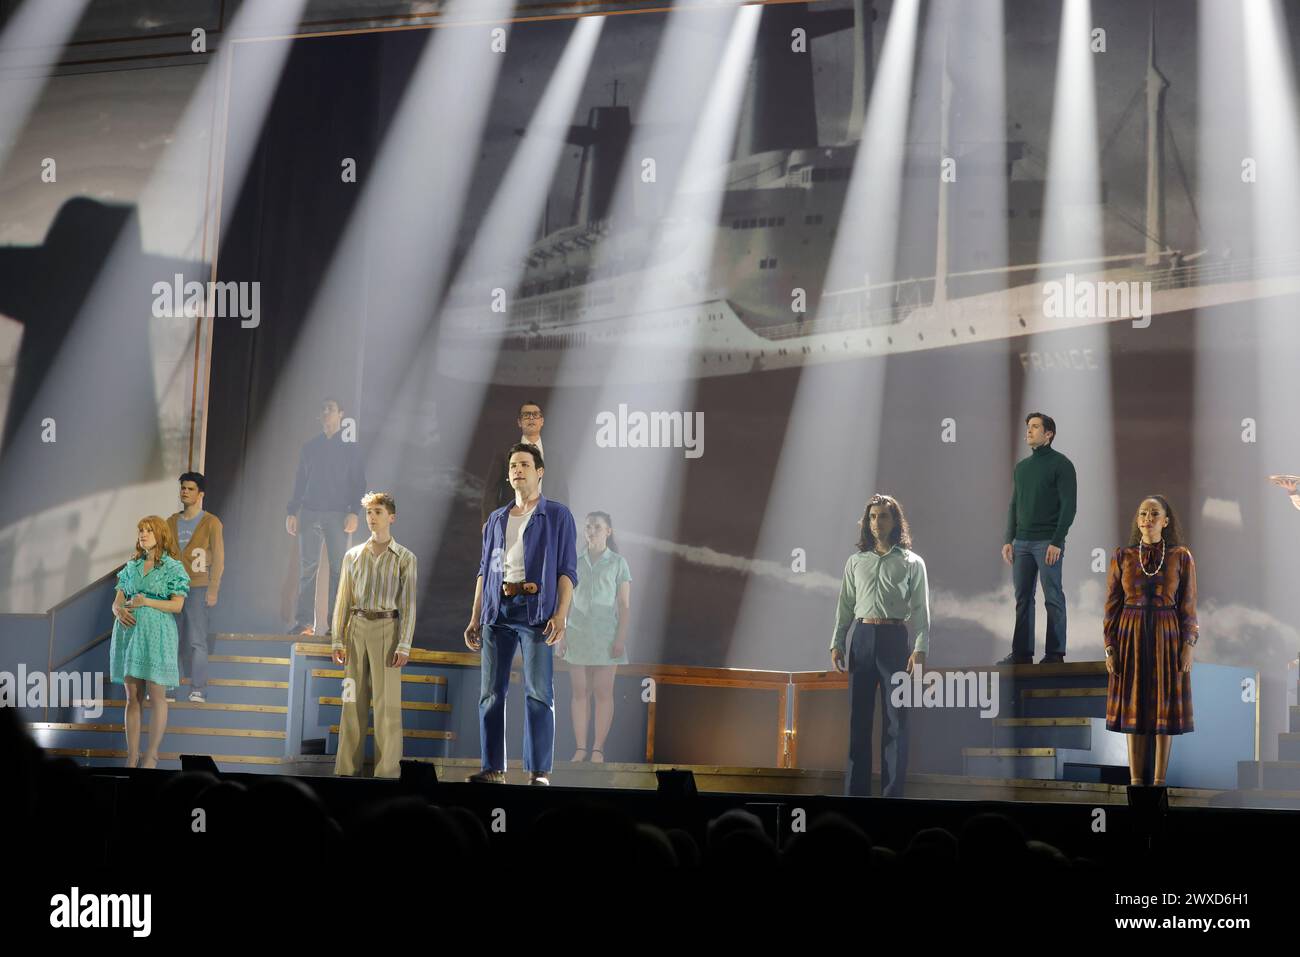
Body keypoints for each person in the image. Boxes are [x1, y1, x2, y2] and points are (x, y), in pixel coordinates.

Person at [465, 443, 577, 785]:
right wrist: (475, 617)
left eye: (525, 464)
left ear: (539, 471)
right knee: (490, 693)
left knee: (539, 692)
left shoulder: (557, 515)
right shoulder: (497, 519)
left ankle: (539, 771)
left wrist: (561, 614)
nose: (517, 470)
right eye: (513, 465)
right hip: (498, 610)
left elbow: (567, 571)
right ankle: (493, 769)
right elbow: (484, 571)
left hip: (536, 612)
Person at [830, 493, 930, 798]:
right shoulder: (855, 561)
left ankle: (891, 797)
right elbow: (845, 604)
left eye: (883, 516)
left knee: (896, 722)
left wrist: (920, 648)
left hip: (894, 641)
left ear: (895, 520)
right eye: (872, 517)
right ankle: (855, 795)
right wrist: (837, 641)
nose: (877, 522)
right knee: (858, 721)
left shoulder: (913, 562)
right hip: (861, 639)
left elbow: (921, 610)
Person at [1102, 495, 1196, 787]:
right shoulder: (1122, 555)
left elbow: (1188, 606)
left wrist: (1188, 645)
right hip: (1130, 634)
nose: (1147, 517)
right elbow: (1111, 605)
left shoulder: (1181, 555)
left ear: (1165, 521)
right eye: (1143, 512)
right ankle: (1135, 779)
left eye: (1154, 513)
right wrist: (1110, 646)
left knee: (1163, 705)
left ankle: (1158, 781)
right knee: (1134, 702)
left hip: (1167, 634)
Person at [332, 492, 417, 779]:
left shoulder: (405, 558)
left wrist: (404, 643)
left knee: (387, 705)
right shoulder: (352, 556)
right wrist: (337, 639)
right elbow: (342, 599)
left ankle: (387, 773)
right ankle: (346, 769)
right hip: (356, 628)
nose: (372, 517)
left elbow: (408, 604)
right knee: (351, 700)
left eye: (378, 511)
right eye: (369, 512)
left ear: (391, 517)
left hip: (387, 628)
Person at [109, 516, 190, 768]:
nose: (143, 534)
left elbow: (177, 605)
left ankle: (151, 755)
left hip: (157, 634)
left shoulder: (172, 567)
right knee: (132, 696)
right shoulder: (131, 566)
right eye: (140, 531)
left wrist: (148, 602)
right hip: (129, 634)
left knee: (156, 696)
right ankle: (131, 756)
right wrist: (117, 609)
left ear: (160, 534)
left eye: (148, 530)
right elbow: (118, 599)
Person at [1000, 412, 1077, 664]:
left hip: (1048, 542)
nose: (1028, 431)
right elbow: (1013, 505)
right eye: (1028, 427)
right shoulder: (1022, 468)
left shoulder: (1062, 465)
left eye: (1034, 427)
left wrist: (1057, 540)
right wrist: (1008, 539)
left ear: (1048, 434)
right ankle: (1022, 654)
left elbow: (1069, 506)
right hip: (1021, 543)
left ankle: (1055, 654)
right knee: (1023, 599)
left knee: (1053, 596)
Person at [286, 396, 365, 636]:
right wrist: (292, 510)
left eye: (331, 409)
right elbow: (300, 481)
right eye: (323, 409)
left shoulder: (351, 448)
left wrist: (354, 511)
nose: (326, 413)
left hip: (338, 513)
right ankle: (304, 623)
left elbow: (358, 482)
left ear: (341, 414)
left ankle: (336, 624)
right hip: (309, 512)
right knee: (307, 568)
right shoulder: (310, 447)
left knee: (338, 570)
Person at [557, 511, 631, 763]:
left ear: (608, 531)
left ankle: (598, 748)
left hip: (605, 636)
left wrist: (620, 637)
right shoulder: (573, 561)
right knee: (579, 692)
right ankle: (580, 748)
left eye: (597, 527)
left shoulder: (618, 563)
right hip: (577, 633)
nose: (591, 531)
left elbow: (623, 605)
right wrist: (562, 634)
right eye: (588, 527)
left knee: (603, 692)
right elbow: (564, 602)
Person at [167, 472, 224, 704]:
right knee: (171, 639)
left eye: (190, 489)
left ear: (201, 494)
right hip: (173, 589)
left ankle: (198, 688)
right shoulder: (171, 521)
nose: (185, 492)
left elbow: (218, 558)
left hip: (198, 587)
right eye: (183, 488)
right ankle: (169, 688)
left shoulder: (211, 522)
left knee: (196, 640)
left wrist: (213, 588)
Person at [480, 400, 568, 531]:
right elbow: (491, 491)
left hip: (547, 523)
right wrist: (488, 521)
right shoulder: (505, 453)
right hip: (512, 521)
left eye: (535, 415)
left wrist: (563, 523)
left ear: (542, 421)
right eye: (526, 415)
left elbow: (561, 493)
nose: (531, 418)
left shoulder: (555, 457)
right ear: (519, 422)